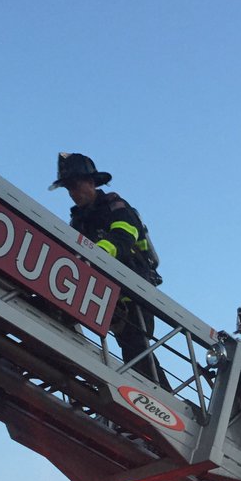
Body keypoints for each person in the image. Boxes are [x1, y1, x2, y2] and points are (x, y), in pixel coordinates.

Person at [49, 152, 168, 388]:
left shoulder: (117, 208)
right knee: (129, 348)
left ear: (91, 182)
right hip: (105, 293)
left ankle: (160, 400)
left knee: (136, 349)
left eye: (75, 185)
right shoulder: (79, 220)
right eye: (68, 188)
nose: (72, 193)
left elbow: (122, 240)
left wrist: (93, 254)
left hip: (134, 292)